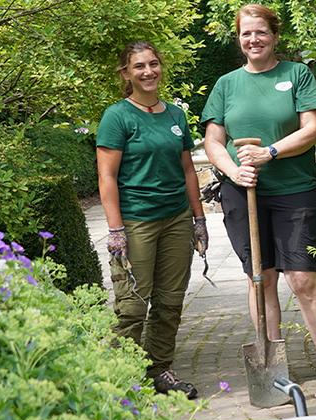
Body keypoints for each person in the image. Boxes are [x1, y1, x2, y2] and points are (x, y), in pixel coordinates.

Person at [201, 4, 316, 400]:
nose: (253, 40)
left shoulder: (296, 75)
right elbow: (213, 140)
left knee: (302, 277)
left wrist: (271, 152)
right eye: (246, 34)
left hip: (294, 190)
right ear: (239, 39)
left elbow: (312, 127)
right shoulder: (227, 84)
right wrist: (234, 171)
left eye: (260, 33)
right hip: (242, 192)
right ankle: (275, 368)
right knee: (259, 278)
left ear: (274, 36)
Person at [96, 41, 207, 399]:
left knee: (170, 301)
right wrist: (115, 229)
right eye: (139, 66)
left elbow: (188, 169)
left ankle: (160, 370)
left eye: (153, 64)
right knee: (131, 306)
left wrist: (199, 219)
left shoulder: (174, 115)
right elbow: (107, 177)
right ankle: (119, 380)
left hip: (175, 219)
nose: (148, 72)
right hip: (136, 221)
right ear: (126, 73)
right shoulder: (118, 116)